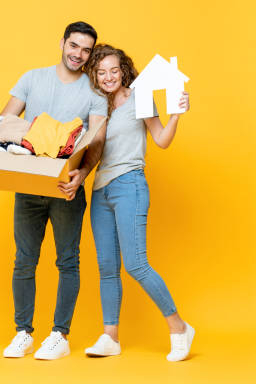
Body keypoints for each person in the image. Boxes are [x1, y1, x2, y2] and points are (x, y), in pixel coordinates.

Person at [0, 22, 108, 360]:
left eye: (86, 50)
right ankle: (23, 333)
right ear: (62, 43)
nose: (79, 54)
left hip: (65, 188)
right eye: (74, 46)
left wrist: (82, 175)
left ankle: (60, 335)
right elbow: (4, 122)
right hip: (27, 184)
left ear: (91, 53)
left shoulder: (95, 93)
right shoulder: (32, 78)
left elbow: (96, 140)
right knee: (24, 261)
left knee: (67, 261)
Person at [83, 44, 194, 361]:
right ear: (94, 74)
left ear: (124, 70)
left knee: (135, 264)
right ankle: (110, 338)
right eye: (101, 72)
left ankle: (179, 328)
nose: (108, 77)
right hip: (100, 190)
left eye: (113, 70)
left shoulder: (139, 97)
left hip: (129, 184)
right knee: (107, 269)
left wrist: (176, 115)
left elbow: (161, 139)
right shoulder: (98, 106)